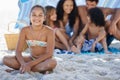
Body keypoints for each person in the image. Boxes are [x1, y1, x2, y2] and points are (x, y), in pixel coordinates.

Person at [3, 5, 57, 74]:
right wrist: (23, 64)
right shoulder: (24, 30)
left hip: (44, 60)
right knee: (6, 59)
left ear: (44, 18)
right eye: (34, 15)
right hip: (31, 58)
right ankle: (33, 69)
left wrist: (30, 64)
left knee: (52, 63)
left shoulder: (49, 31)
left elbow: (49, 53)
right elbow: (18, 51)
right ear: (29, 17)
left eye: (40, 15)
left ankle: (22, 69)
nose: (37, 18)